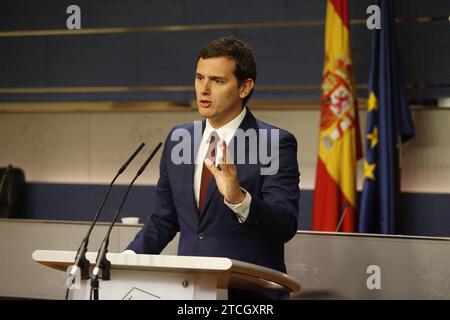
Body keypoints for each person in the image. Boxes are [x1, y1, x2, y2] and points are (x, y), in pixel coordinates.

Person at [126, 36, 300, 299]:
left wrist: (239, 199)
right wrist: (129, 257)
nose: (203, 89)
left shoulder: (274, 143)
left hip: (249, 296)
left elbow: (285, 225)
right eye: (199, 78)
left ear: (245, 87)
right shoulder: (178, 139)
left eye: (217, 81)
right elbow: (164, 219)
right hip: (189, 293)